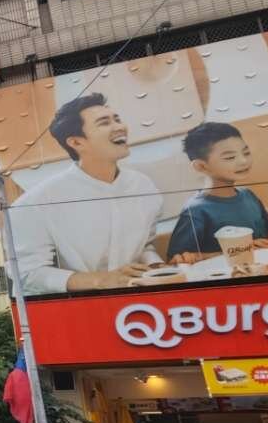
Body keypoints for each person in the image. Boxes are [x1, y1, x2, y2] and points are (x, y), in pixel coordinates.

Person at [10, 93, 165, 293]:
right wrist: (99, 281)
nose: (119, 127)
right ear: (76, 142)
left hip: (140, 300)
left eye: (117, 119)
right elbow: (27, 274)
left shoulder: (144, 186)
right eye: (104, 123)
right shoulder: (34, 204)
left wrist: (155, 266)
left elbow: (144, 245)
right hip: (77, 306)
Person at [166, 122, 268, 262]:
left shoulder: (248, 195)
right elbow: (176, 260)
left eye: (246, 153)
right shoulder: (195, 210)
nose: (243, 161)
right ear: (201, 166)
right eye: (230, 157)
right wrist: (240, 250)